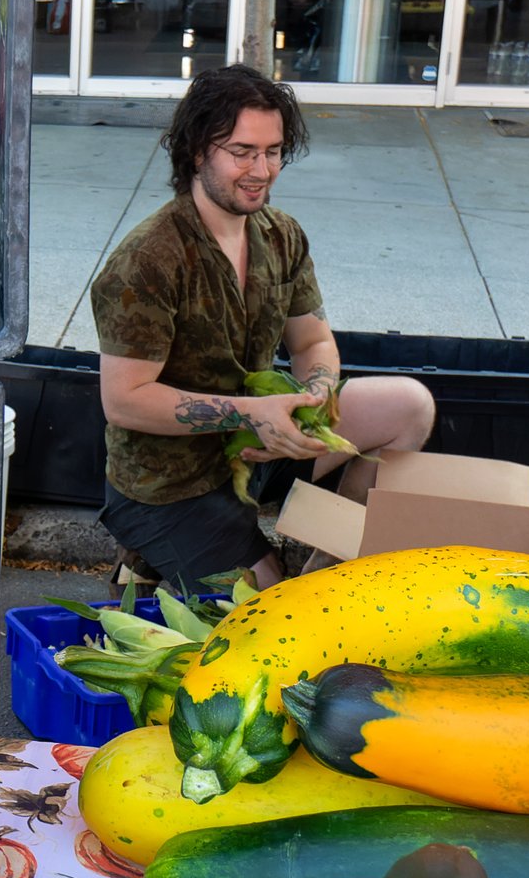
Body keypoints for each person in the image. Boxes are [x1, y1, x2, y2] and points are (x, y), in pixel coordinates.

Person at [92, 65, 437, 588]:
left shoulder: (281, 235)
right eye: (242, 151)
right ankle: (150, 553)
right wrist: (252, 415)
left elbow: (313, 341)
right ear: (196, 151)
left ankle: (326, 573)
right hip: (169, 481)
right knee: (260, 602)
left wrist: (314, 398)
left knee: (409, 405)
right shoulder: (146, 260)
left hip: (263, 444)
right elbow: (124, 399)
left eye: (273, 151)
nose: (262, 169)